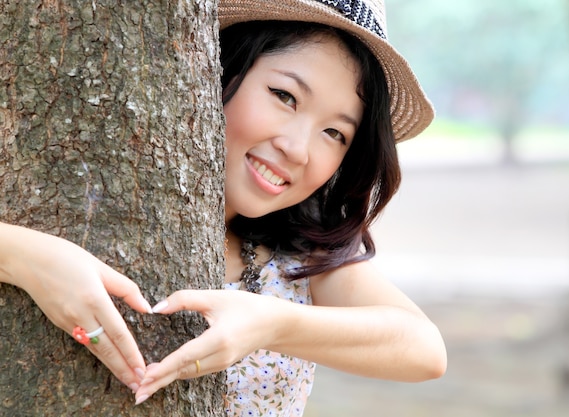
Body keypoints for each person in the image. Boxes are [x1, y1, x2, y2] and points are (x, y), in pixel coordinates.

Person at [0, 0, 447, 415]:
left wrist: (271, 323)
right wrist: (25, 256)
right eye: (285, 96)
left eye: (334, 133)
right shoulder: (58, 181)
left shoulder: (296, 259)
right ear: (218, 66)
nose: (297, 149)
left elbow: (424, 349)